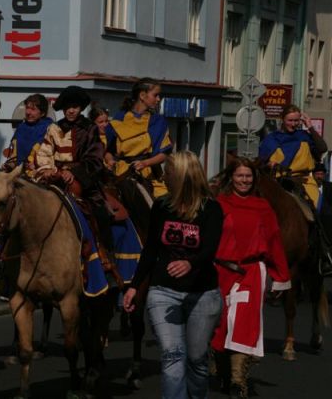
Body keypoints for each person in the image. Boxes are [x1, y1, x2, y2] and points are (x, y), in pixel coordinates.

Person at [123, 150, 223, 399]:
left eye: (167, 173)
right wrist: (134, 286)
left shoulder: (211, 209)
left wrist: (191, 263)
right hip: (163, 291)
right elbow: (151, 249)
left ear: (180, 176)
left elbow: (210, 247)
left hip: (202, 292)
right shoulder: (161, 206)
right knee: (172, 355)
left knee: (197, 359)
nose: (163, 177)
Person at [211, 157, 291, 398]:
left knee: (244, 324)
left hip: (251, 272)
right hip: (220, 272)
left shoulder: (263, 206)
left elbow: (275, 241)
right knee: (221, 326)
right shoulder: (218, 204)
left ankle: (238, 381)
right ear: (231, 178)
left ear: (254, 179)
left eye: (248, 176)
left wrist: (280, 276)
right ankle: (224, 375)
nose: (244, 180)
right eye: (240, 176)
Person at [35, 86, 115, 259]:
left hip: (84, 180)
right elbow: (44, 153)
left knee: (100, 211)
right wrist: (47, 169)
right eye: (68, 107)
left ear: (81, 108)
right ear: (63, 108)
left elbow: (94, 159)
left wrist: (74, 172)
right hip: (55, 178)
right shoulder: (53, 128)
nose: (71, 110)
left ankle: (107, 257)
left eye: (76, 107)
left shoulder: (90, 128)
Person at [106, 78, 173, 197]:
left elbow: (164, 154)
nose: (158, 99)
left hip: (148, 175)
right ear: (142, 95)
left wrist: (145, 163)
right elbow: (108, 150)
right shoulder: (119, 118)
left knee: (163, 205)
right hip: (120, 174)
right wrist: (110, 160)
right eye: (155, 95)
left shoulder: (158, 121)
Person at [259, 104, 327, 206]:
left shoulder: (304, 136)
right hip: (278, 183)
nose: (293, 124)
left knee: (315, 210)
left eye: (296, 121)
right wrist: (269, 164)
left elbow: (322, 148)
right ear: (282, 119)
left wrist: (310, 127)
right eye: (290, 120)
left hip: (304, 182)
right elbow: (260, 164)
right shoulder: (271, 139)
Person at [2, 93, 53, 173]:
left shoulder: (50, 129)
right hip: (19, 172)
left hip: (40, 173)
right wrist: (10, 164)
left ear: (42, 113)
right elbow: (14, 154)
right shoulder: (21, 128)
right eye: (27, 108)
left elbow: (53, 156)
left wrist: (37, 164)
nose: (28, 112)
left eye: (33, 109)